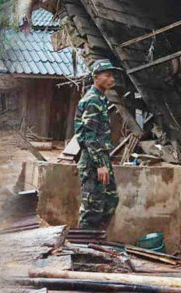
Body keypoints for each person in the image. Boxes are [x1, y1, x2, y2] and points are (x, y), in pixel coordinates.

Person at [74, 59, 120, 230]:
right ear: (96, 77)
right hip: (93, 161)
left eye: (112, 76)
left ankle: (96, 240)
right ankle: (83, 248)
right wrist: (100, 164)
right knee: (91, 207)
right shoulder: (92, 101)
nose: (111, 79)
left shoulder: (100, 99)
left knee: (110, 200)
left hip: (102, 157)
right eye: (107, 75)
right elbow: (90, 137)